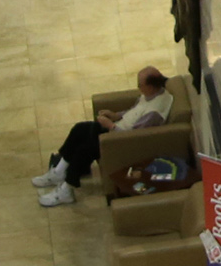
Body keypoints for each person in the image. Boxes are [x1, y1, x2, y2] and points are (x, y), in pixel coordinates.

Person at [31, 66, 173, 207]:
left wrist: (111, 125)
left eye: (140, 85)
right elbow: (135, 111)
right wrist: (116, 115)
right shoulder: (151, 94)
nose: (138, 88)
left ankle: (66, 190)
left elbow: (135, 136)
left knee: (85, 149)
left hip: (121, 141)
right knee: (80, 129)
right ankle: (59, 171)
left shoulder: (154, 113)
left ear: (151, 86)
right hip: (116, 129)